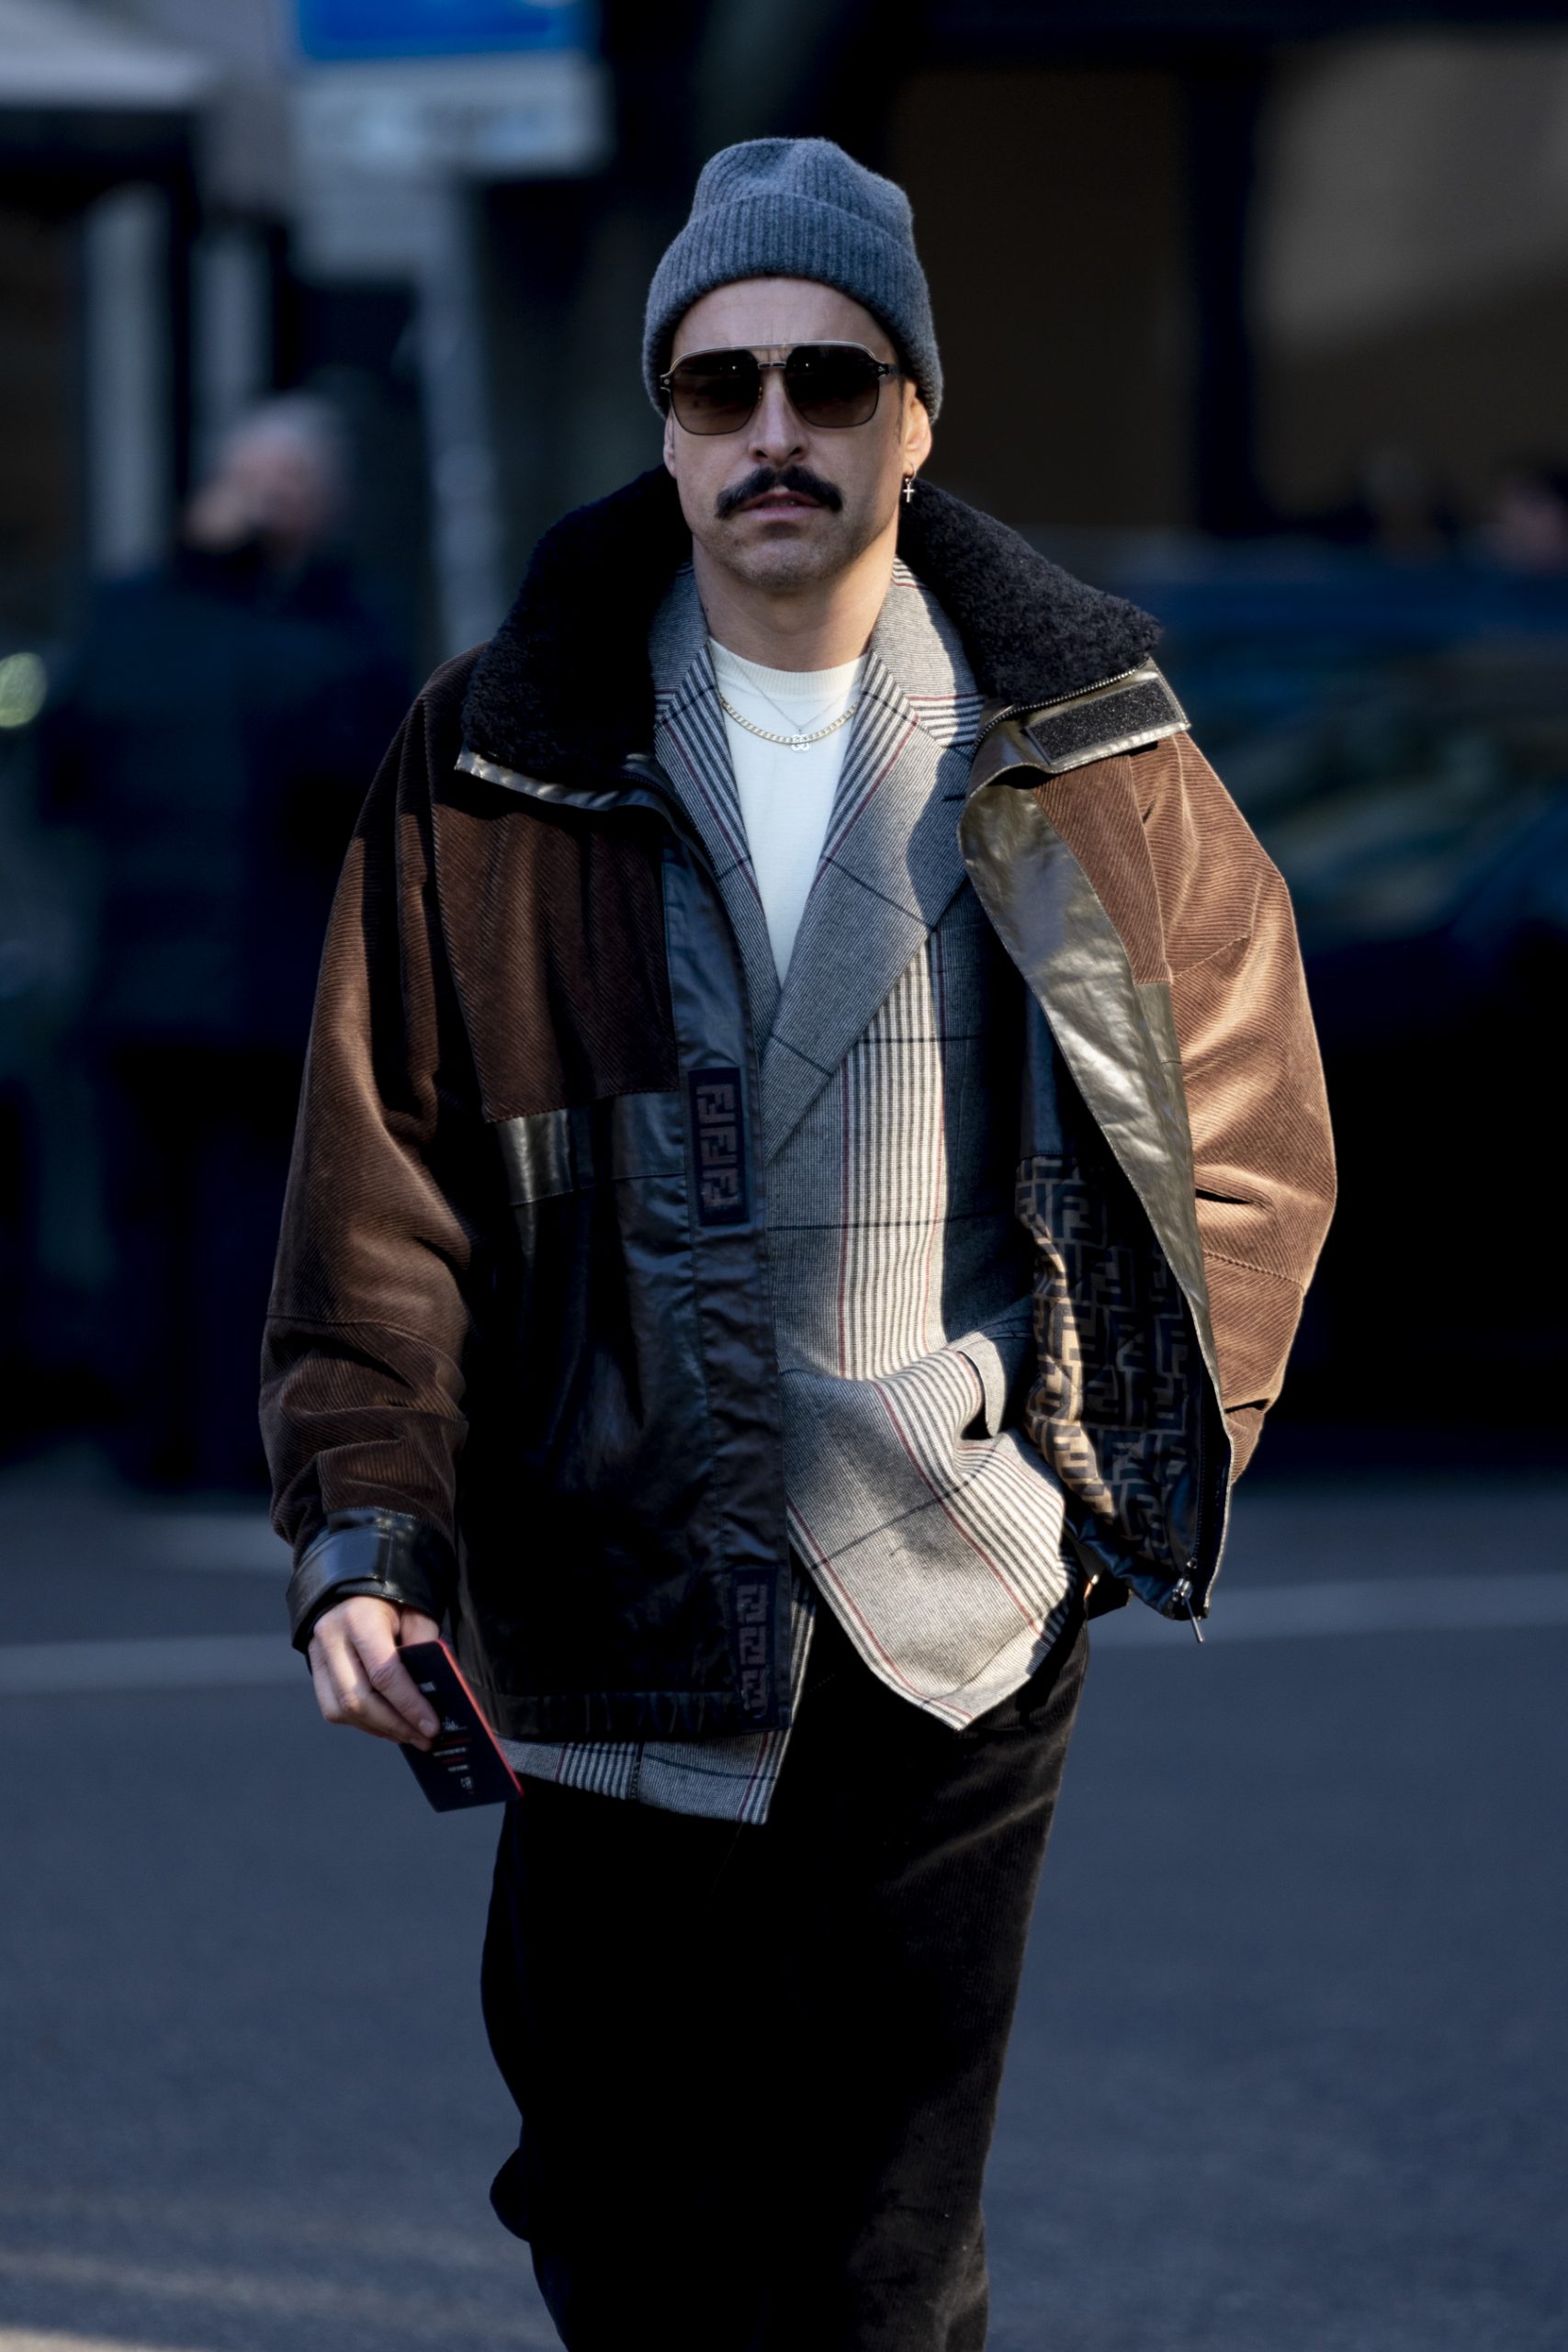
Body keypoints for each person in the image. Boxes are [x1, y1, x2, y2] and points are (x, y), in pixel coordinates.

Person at [263, 141, 1336, 2350]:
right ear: (665, 427)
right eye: (720, 383)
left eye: (827, 381)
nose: (773, 429)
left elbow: (1245, 1129)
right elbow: (386, 1180)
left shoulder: (1086, 744)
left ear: (910, 415)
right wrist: (367, 1530)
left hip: (948, 1599)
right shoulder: (496, 750)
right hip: (605, 1586)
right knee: (615, 2210)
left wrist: (1100, 1482)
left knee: (877, 2257)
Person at [44, 396, 408, 1486]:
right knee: (193, 1214)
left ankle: (190, 1437)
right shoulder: (271, 625)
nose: (275, 505)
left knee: (222, 1217)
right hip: (207, 977)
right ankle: (182, 1436)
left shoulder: (207, 618)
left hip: (227, 976)